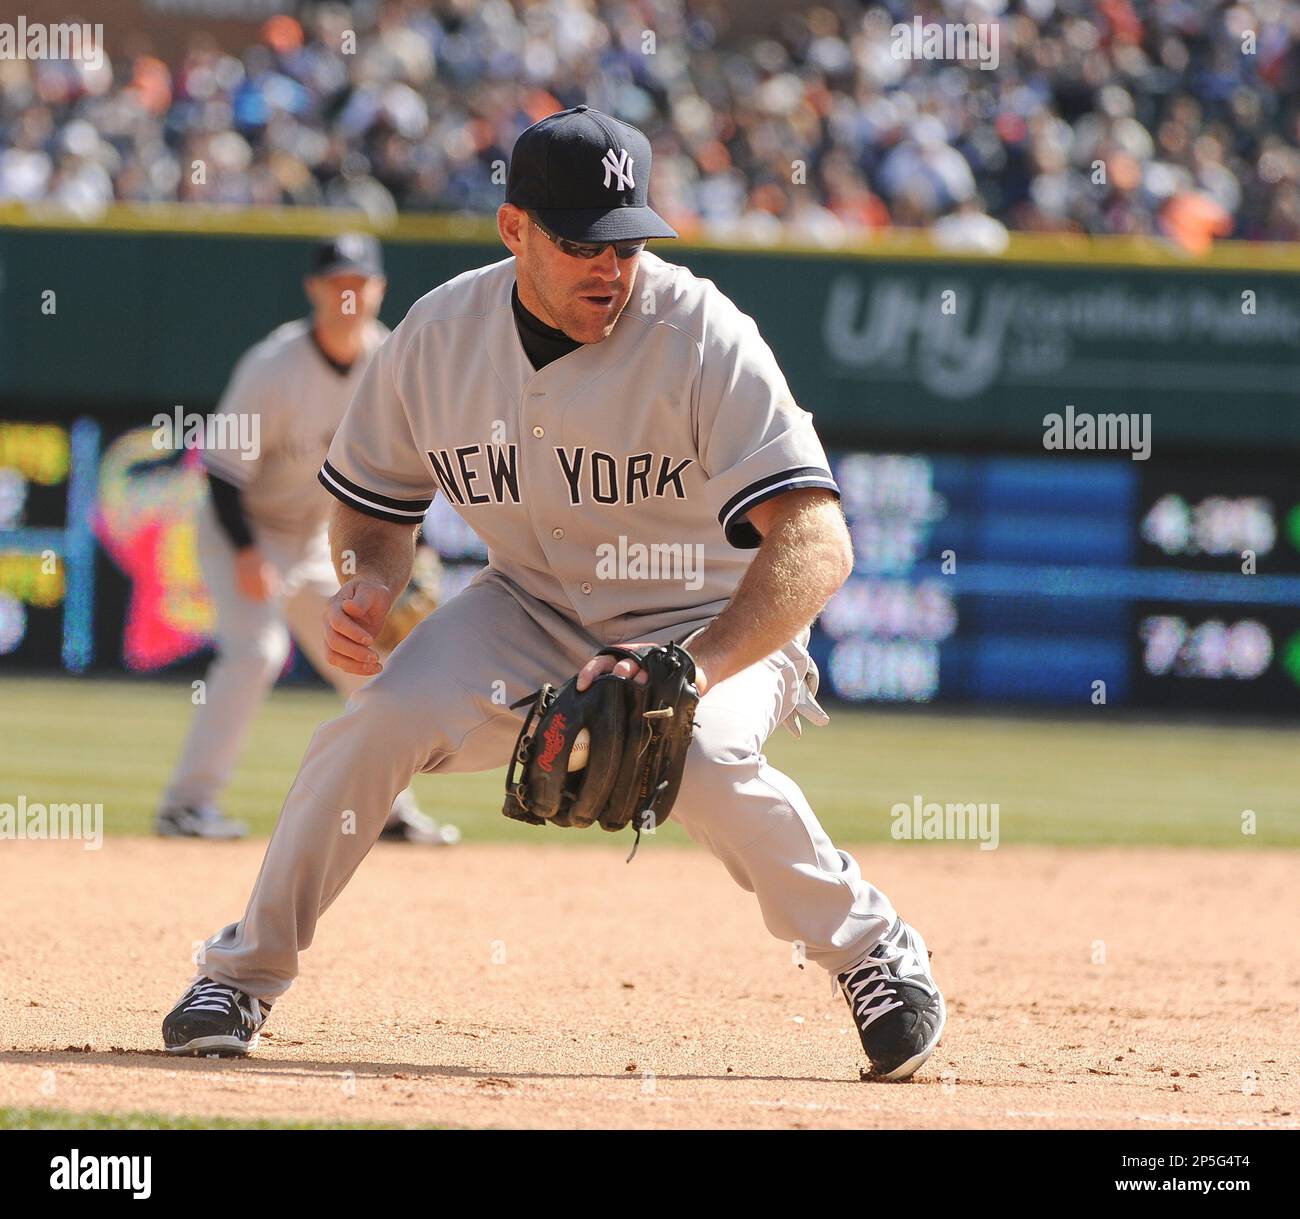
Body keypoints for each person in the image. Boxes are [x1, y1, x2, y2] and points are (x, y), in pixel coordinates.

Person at [162, 108, 944, 1081]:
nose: (608, 267)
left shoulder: (700, 332)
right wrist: (367, 583)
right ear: (513, 230)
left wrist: (689, 668)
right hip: (528, 607)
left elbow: (818, 543)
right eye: (579, 242)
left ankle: (874, 951)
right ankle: (241, 972)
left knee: (687, 744)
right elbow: (373, 509)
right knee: (378, 719)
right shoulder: (439, 337)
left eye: (624, 241)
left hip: (701, 616)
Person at [155, 234, 457, 846]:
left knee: (373, 666)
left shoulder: (391, 358)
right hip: (244, 527)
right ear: (315, 290)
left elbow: (409, 470)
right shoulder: (273, 366)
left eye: (360, 284)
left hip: (319, 538)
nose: (350, 295)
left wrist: (415, 549)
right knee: (257, 652)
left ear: (379, 290)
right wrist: (246, 552)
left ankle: (390, 810)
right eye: (337, 284)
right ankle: (186, 806)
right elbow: (220, 470)